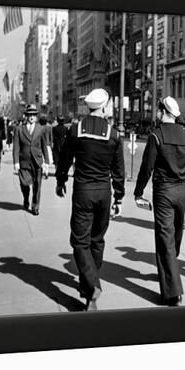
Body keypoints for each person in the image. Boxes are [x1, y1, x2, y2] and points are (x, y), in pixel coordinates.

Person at [56, 88, 125, 311]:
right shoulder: (114, 134)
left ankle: (92, 285)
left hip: (83, 191)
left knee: (79, 241)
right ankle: (89, 289)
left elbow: (65, 159)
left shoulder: (76, 130)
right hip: (104, 193)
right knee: (97, 239)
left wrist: (60, 181)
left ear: (88, 106)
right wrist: (119, 197)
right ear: (104, 107)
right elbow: (118, 170)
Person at [133, 96, 185, 306]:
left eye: (158, 110)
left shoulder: (156, 135)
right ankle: (169, 269)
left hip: (163, 192)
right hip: (181, 192)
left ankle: (172, 292)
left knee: (165, 238)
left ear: (163, 111)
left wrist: (138, 192)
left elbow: (147, 167)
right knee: (176, 233)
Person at [13, 105, 49, 216]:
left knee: (37, 185)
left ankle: (35, 206)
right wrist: (16, 161)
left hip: (37, 160)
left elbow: (44, 146)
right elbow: (16, 146)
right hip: (24, 160)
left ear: (36, 116)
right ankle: (25, 198)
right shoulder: (19, 129)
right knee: (24, 183)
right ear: (26, 116)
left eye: (34, 115)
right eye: (30, 115)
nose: (32, 117)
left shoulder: (41, 129)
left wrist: (46, 162)